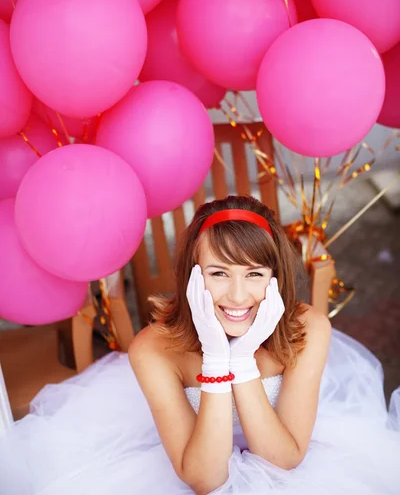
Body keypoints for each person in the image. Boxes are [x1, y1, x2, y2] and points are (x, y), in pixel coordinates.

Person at [0, 195, 399, 495]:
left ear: (276, 279)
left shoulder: (307, 326)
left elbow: (284, 461)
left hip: (284, 453)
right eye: (218, 273)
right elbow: (206, 480)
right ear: (192, 277)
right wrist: (216, 359)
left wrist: (241, 361)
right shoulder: (153, 351)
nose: (238, 296)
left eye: (255, 274)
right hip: (192, 456)